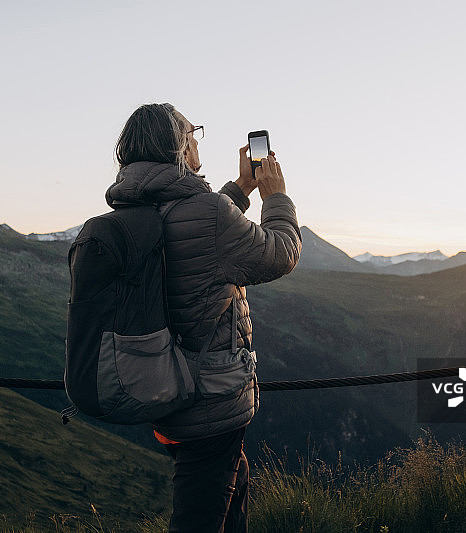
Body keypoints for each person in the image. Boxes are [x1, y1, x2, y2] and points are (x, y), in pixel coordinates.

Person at [106, 103, 301, 533]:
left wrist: (240, 188)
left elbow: (194, 231)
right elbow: (281, 253)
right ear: (178, 146)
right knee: (199, 519)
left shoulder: (133, 211)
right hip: (209, 401)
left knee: (229, 497)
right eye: (193, 133)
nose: (197, 142)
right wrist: (275, 198)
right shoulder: (208, 213)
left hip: (161, 388)